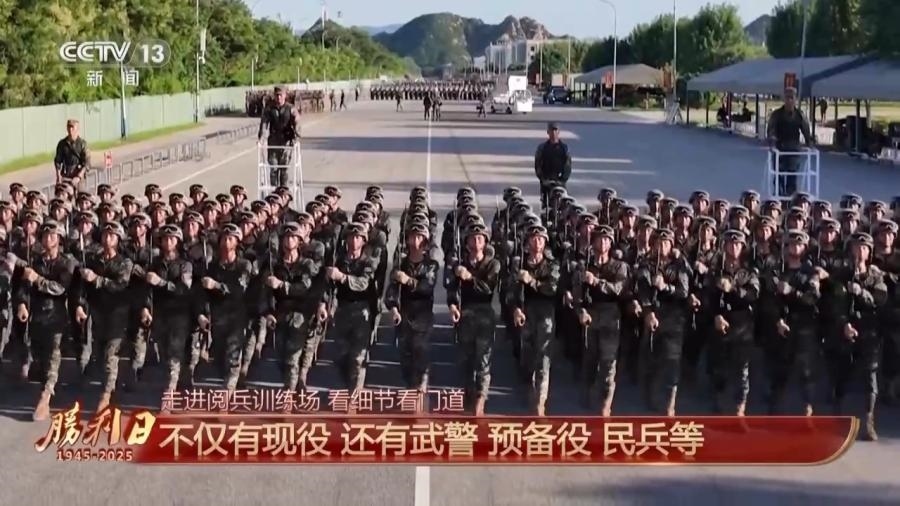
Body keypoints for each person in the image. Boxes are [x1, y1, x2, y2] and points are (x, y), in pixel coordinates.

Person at [766, 87, 813, 199]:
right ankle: (779, 198)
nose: (789, 100)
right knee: (779, 177)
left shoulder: (799, 115)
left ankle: (791, 199)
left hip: (794, 151)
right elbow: (771, 130)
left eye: (792, 98)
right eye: (787, 97)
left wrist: (809, 144)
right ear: (784, 98)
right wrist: (772, 140)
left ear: (795, 99)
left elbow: (806, 131)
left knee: (792, 177)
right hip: (780, 150)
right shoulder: (777, 114)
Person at [257, 87, 301, 187]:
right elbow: (264, 124)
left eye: (281, 95)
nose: (279, 97)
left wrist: (296, 137)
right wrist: (261, 139)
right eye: (277, 95)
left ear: (285, 96)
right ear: (274, 96)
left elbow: (297, 122)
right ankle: (274, 192)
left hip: (286, 143)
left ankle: (283, 192)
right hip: (273, 143)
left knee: (284, 169)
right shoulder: (269, 109)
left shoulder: (290, 108)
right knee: (273, 169)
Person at [534, 122, 572, 211]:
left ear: (559, 132)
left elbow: (568, 165)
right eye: (551, 130)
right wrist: (543, 179)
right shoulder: (542, 148)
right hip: (546, 182)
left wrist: (563, 180)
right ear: (548, 132)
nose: (553, 133)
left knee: (563, 206)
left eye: (555, 130)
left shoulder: (564, 148)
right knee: (546, 208)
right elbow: (537, 164)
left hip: (560, 182)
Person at [54, 119, 90, 191]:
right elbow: (57, 161)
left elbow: (87, 163)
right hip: (66, 176)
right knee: (63, 195)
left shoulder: (82, 144)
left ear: (77, 129)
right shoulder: (62, 144)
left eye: (72, 127)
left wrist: (79, 177)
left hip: (78, 176)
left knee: (81, 196)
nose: (70, 129)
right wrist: (58, 175)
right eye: (69, 127)